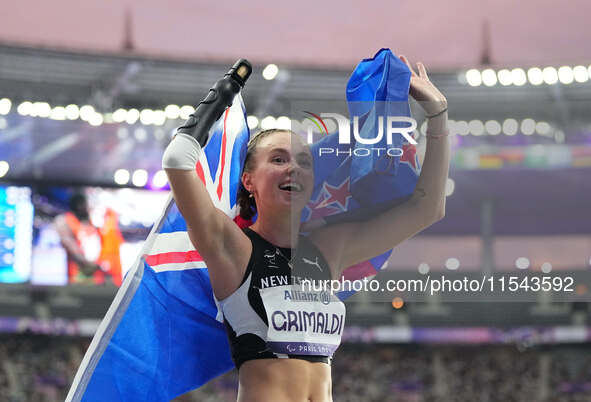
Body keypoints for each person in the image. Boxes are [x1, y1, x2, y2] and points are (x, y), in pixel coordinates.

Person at [163, 55, 449, 402]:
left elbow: (427, 207)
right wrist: (222, 94)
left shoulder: (329, 249)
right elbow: (178, 161)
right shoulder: (232, 248)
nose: (293, 169)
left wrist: (437, 116)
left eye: (303, 161)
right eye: (278, 159)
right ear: (248, 179)